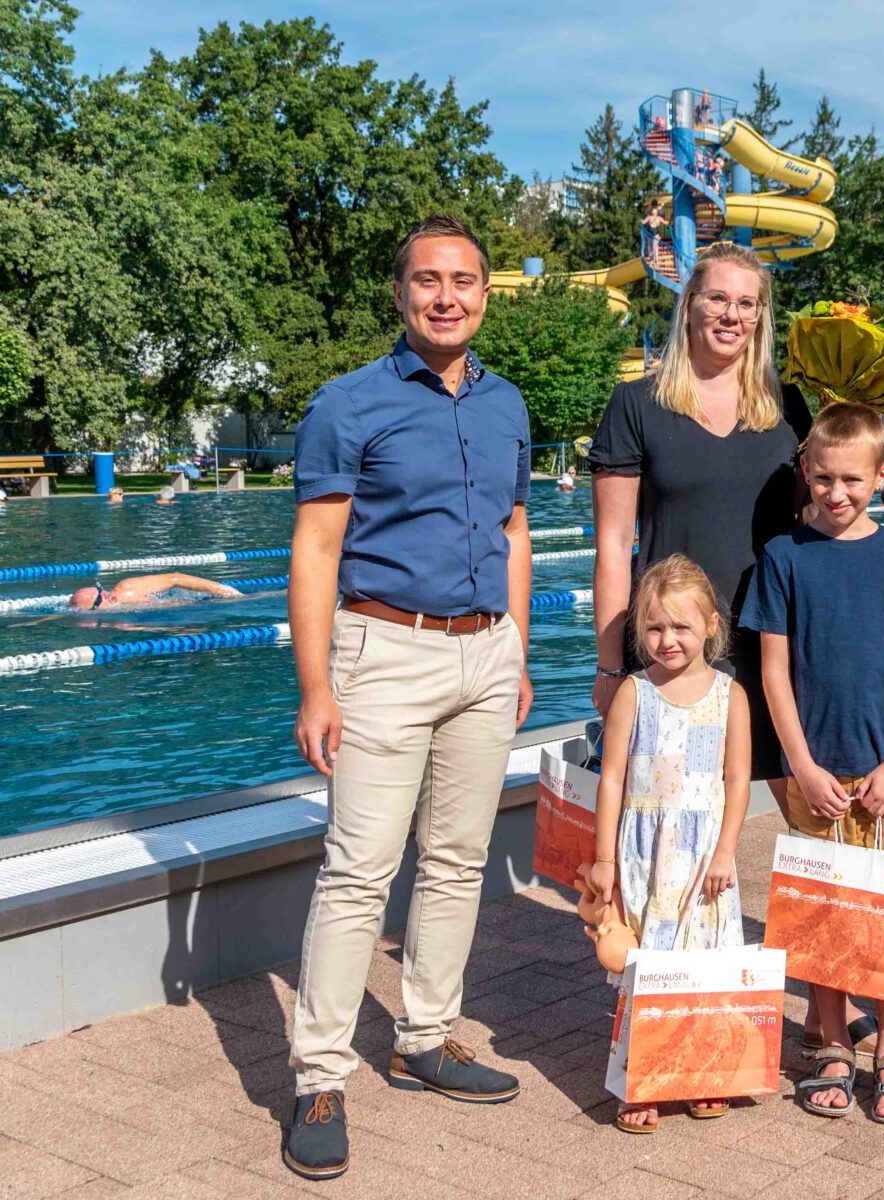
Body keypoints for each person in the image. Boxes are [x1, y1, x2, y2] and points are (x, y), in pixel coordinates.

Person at [283, 214, 533, 1182]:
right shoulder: (348, 405)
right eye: (428, 280)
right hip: (383, 650)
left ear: (482, 293)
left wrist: (512, 654)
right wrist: (316, 685)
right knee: (357, 870)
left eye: (464, 281)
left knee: (458, 859)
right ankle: (317, 1073)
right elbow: (314, 549)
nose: (446, 296)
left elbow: (513, 530)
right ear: (398, 294)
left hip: (483, 655)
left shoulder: (506, 404)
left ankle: (426, 1035)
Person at [742, 402, 884, 1124]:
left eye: (852, 480)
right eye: (823, 478)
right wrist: (798, 765)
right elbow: (772, 672)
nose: (836, 493)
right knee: (823, 916)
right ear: (805, 473)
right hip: (815, 773)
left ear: (883, 476)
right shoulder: (784, 558)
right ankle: (833, 1042)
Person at [588, 241, 812, 799]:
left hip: (771, 641)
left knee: (805, 809)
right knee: (667, 816)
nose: (731, 315)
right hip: (672, 643)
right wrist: (610, 665)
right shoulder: (636, 403)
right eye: (717, 298)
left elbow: (821, 525)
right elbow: (614, 545)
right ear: (689, 304)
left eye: (747, 303)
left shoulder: (788, 405)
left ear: (761, 316)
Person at [588, 555, 748, 1133]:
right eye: (654, 628)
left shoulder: (730, 695)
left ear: (710, 625)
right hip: (644, 852)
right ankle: (643, 1074)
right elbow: (610, 778)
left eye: (681, 626)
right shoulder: (634, 692)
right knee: (649, 965)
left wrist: (727, 849)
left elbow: (736, 781)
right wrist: (604, 859)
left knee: (700, 964)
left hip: (704, 852)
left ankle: (701, 1070)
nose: (667, 639)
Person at [69, 573, 242, 610]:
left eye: (101, 590)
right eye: (100, 597)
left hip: (216, 601)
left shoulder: (125, 589)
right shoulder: (119, 619)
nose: (106, 593)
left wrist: (222, 590)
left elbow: (176, 578)